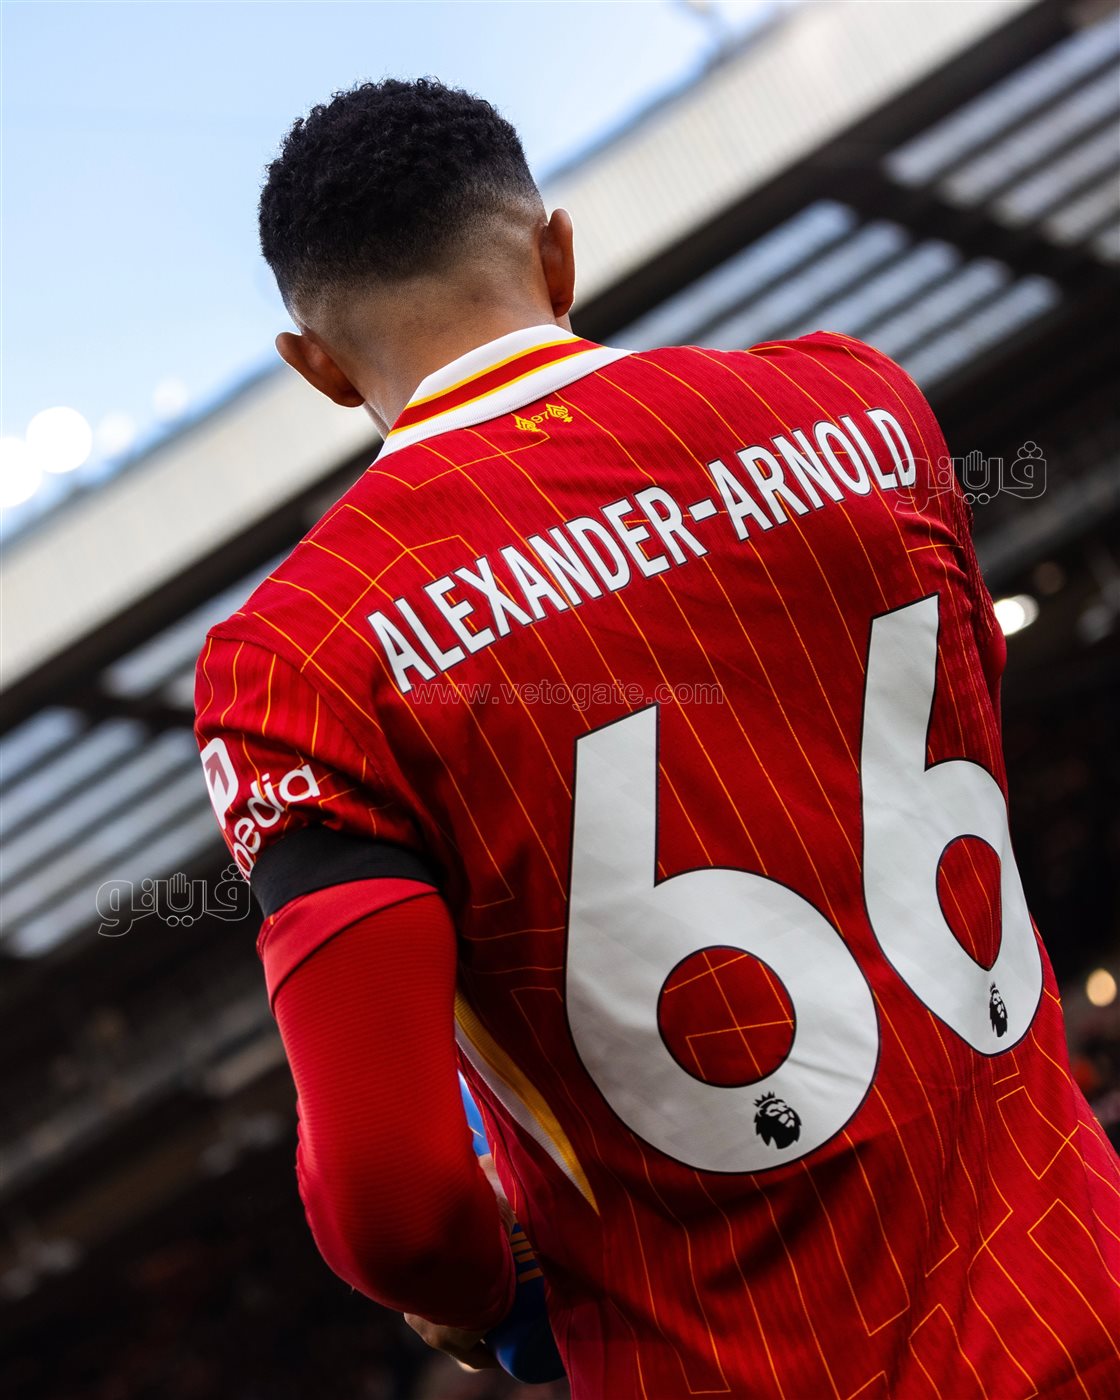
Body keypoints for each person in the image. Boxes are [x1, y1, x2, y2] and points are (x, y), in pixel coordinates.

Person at [194, 77, 1120, 1399]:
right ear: (557, 256)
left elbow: (392, 1202)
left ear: (319, 368)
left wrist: (482, 1294)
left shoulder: (302, 655)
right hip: (1086, 1290)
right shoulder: (862, 406)